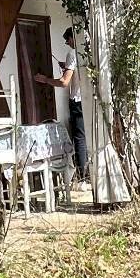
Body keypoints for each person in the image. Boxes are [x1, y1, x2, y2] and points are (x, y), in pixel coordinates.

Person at [48, 27, 87, 182]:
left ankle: (82, 177)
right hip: (89, 100)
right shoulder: (88, 52)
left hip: (77, 101)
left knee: (79, 138)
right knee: (88, 136)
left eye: (67, 39)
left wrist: (45, 80)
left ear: (73, 38)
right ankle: (89, 174)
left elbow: (64, 82)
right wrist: (67, 67)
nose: (67, 43)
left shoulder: (73, 53)